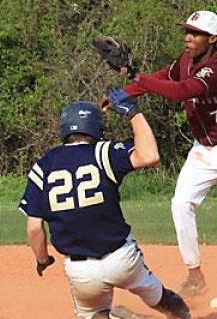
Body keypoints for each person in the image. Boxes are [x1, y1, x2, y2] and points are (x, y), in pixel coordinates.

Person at [100, 10, 217, 296]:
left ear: (213, 38)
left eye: (195, 33)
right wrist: (124, 92)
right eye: (187, 32)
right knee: (180, 204)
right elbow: (163, 77)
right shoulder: (185, 61)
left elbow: (182, 92)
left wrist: (137, 74)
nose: (188, 38)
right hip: (204, 150)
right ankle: (195, 274)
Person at [18, 99, 192, 319]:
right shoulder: (103, 152)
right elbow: (150, 155)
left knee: (92, 315)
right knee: (161, 298)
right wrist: (133, 112)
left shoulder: (44, 165)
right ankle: (183, 315)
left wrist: (43, 260)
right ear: (96, 127)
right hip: (123, 258)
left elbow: (34, 228)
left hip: (82, 271)